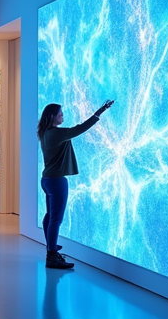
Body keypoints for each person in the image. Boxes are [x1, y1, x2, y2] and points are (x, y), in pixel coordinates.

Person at [38, 99, 114, 270]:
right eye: (60, 114)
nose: (62, 116)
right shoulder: (56, 133)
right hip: (57, 181)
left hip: (47, 180)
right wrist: (99, 112)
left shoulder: (45, 133)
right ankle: (51, 256)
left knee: (49, 216)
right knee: (55, 219)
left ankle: (51, 246)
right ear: (52, 117)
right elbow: (80, 129)